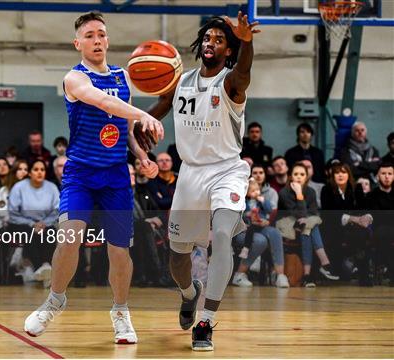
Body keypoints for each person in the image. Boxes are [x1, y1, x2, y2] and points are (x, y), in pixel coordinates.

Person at [24, 11, 161, 344]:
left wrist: (142, 157)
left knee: (119, 251)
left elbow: (126, 127)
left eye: (101, 34)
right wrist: (144, 113)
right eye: (89, 35)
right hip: (81, 174)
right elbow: (102, 101)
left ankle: (120, 313)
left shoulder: (124, 76)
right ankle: (55, 299)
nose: (97, 40)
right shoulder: (74, 78)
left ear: (107, 39)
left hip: (116, 175)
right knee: (69, 237)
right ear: (78, 43)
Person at [145, 12, 260, 351]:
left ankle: (206, 321)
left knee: (222, 234)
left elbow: (244, 72)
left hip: (227, 170)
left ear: (229, 50)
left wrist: (248, 43)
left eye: (219, 40)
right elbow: (158, 109)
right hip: (191, 174)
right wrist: (138, 123)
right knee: (178, 255)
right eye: (207, 38)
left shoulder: (231, 82)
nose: (211, 43)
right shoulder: (181, 80)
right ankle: (188, 293)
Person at [277, 162, 339, 288]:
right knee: (310, 226)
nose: (299, 177)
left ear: (306, 177)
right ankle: (325, 263)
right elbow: (296, 214)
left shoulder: (310, 191)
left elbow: (314, 211)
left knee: (309, 227)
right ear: (291, 176)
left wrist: (306, 218)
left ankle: (307, 276)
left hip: (304, 224)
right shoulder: (284, 192)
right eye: (296, 174)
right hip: (286, 224)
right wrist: (299, 195)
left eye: (302, 174)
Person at [232, 164, 288, 288]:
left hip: (261, 225)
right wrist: (247, 217)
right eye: (255, 172)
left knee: (275, 233)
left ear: (265, 175)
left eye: (261, 172)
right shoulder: (241, 196)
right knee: (260, 240)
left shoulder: (268, 194)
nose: (258, 175)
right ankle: (239, 274)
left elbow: (270, 211)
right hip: (244, 229)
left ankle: (280, 275)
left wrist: (266, 221)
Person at [320, 163, 373, 286]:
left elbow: (364, 208)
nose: (340, 175)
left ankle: (363, 274)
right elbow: (328, 214)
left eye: (344, 172)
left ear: (349, 175)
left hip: (355, 228)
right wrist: (352, 218)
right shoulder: (326, 190)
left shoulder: (357, 188)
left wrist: (367, 217)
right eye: (337, 172)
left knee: (362, 234)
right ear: (332, 176)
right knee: (337, 235)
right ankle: (338, 270)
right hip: (334, 226)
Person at [8, 160, 60, 286]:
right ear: (30, 173)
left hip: (45, 223)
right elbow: (13, 213)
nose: (39, 172)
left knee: (51, 232)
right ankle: (39, 268)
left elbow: (57, 210)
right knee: (29, 233)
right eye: (36, 170)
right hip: (21, 223)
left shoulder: (52, 188)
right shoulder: (19, 187)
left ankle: (46, 266)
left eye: (42, 170)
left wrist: (44, 223)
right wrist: (32, 224)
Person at [365, 162, 394, 286]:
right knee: (383, 233)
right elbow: (375, 217)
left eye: (390, 174)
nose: (387, 177)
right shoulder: (372, 196)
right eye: (383, 173)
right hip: (379, 230)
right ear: (377, 176)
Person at [0, 159, 29, 230]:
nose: (23, 172)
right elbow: (1, 210)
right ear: (14, 171)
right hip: (10, 225)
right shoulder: (4, 190)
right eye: (20, 169)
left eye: (26, 169)